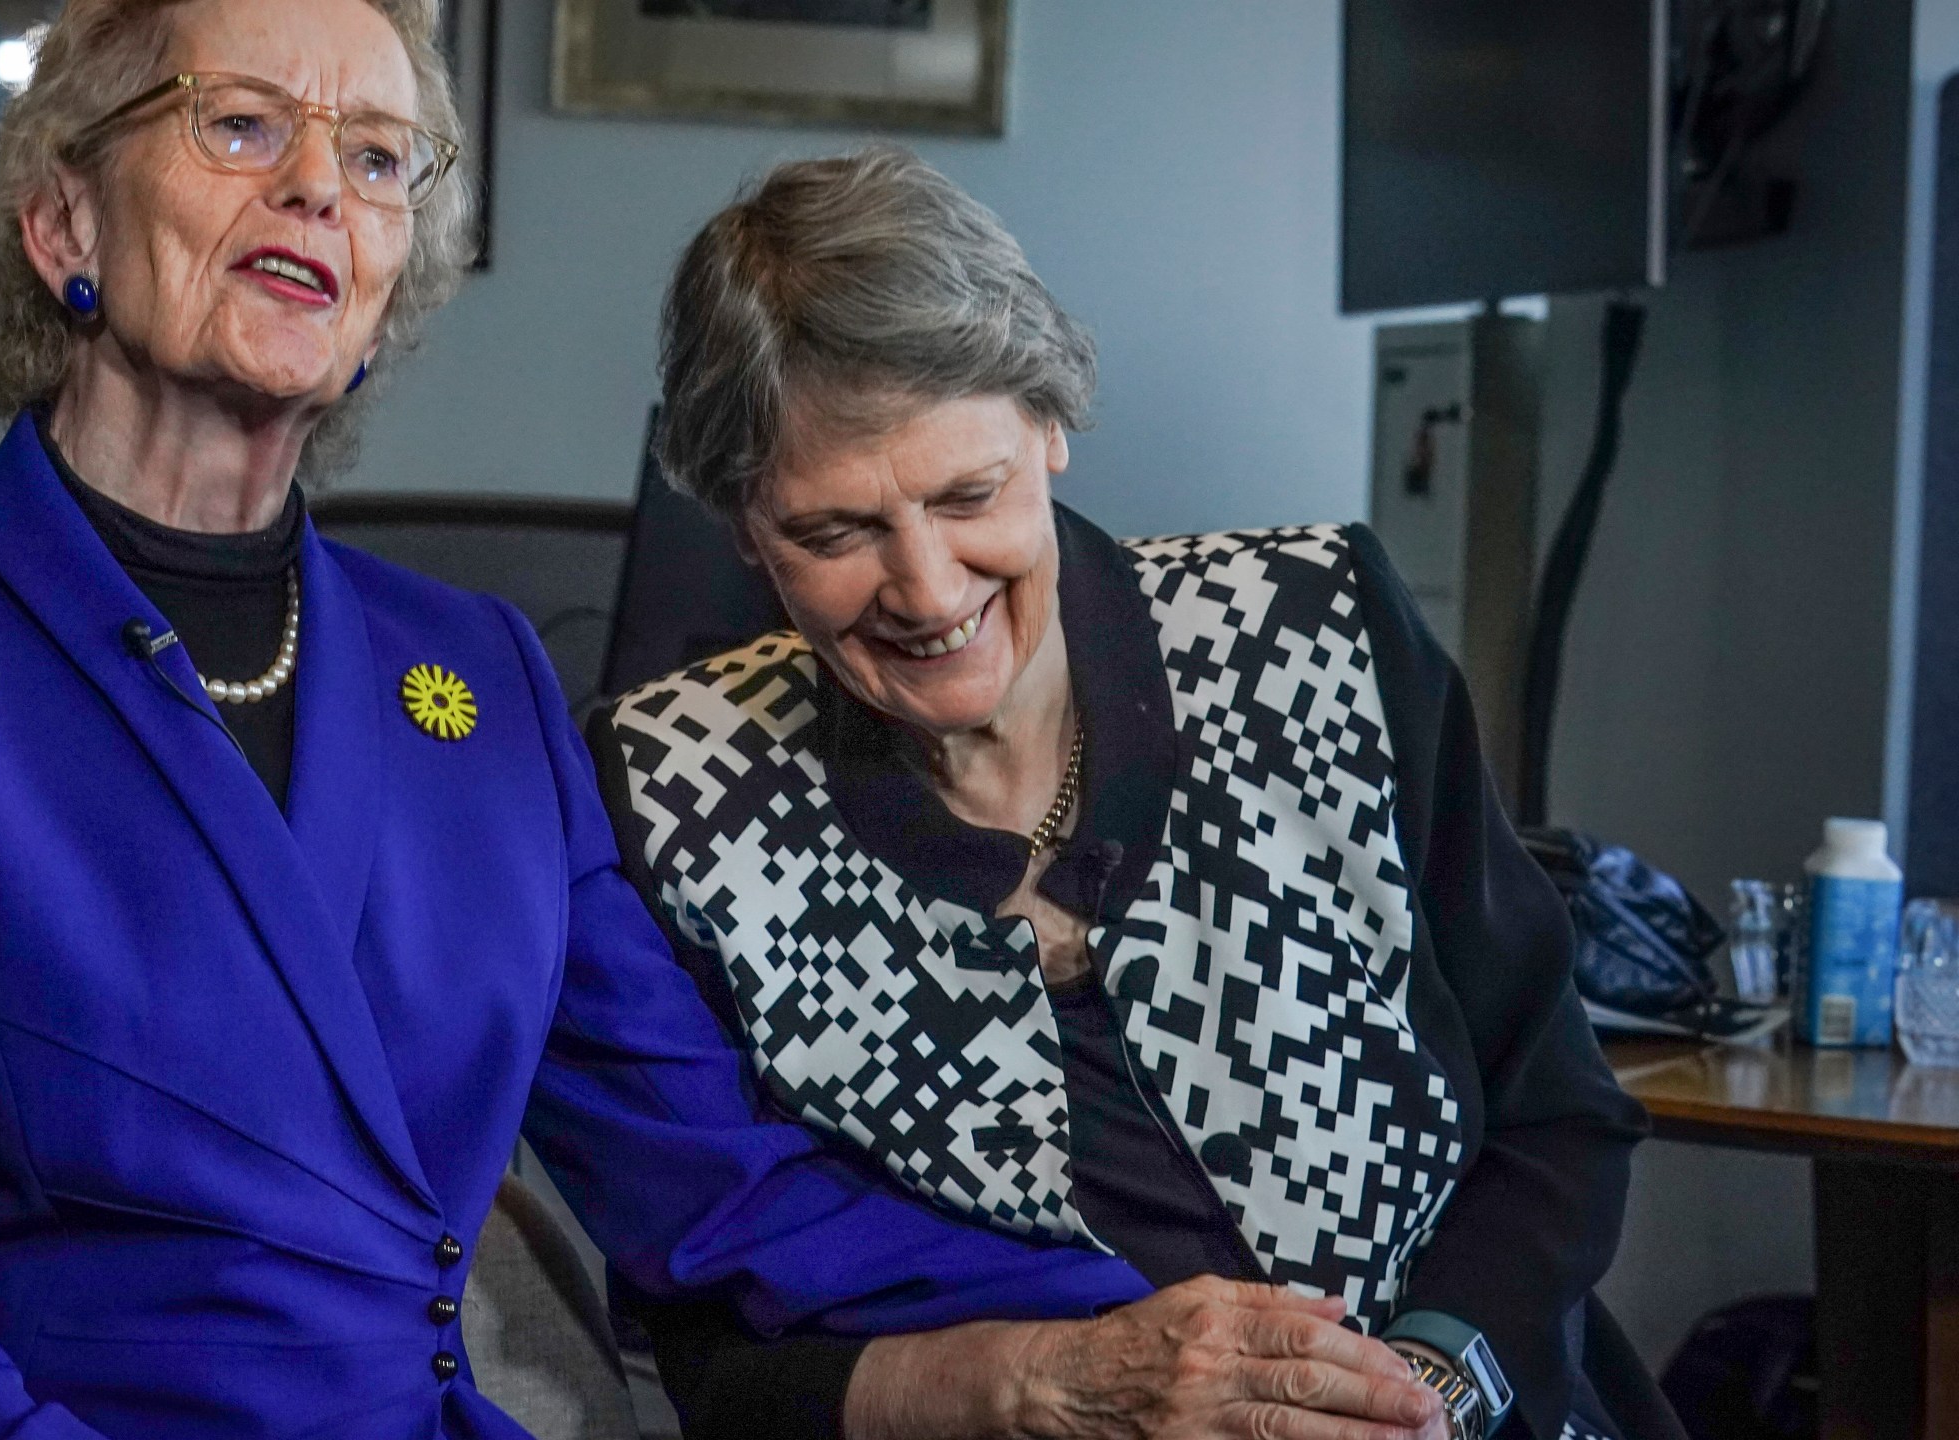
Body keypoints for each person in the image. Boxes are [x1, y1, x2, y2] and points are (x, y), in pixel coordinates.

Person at [0, 8, 1183, 1438]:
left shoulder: (480, 672)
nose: (316, 187)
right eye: (243, 123)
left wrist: (1154, 1327)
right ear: (65, 220)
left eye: (378, 158)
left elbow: (717, 1183)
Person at [590, 148, 1679, 1440]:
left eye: (967, 494)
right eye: (834, 534)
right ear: (743, 527)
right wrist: (1038, 1389)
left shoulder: (1311, 631)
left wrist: (1427, 1393)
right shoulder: (674, 803)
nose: (929, 592)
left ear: (1048, 423)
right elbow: (711, 1351)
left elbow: (1559, 1119)